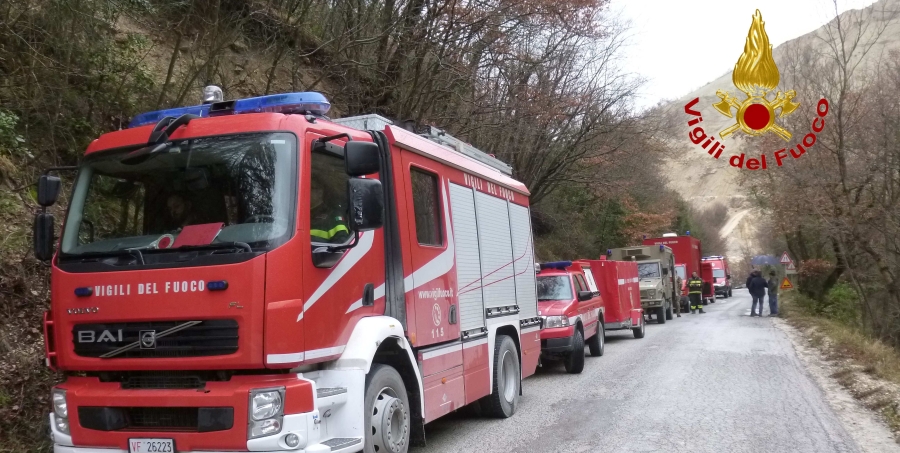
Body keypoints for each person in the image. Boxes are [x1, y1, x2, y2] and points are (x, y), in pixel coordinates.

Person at [310, 177, 350, 243]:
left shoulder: (333, 215)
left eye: (311, 188)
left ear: (320, 192)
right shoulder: (298, 214)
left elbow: (341, 244)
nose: (306, 190)